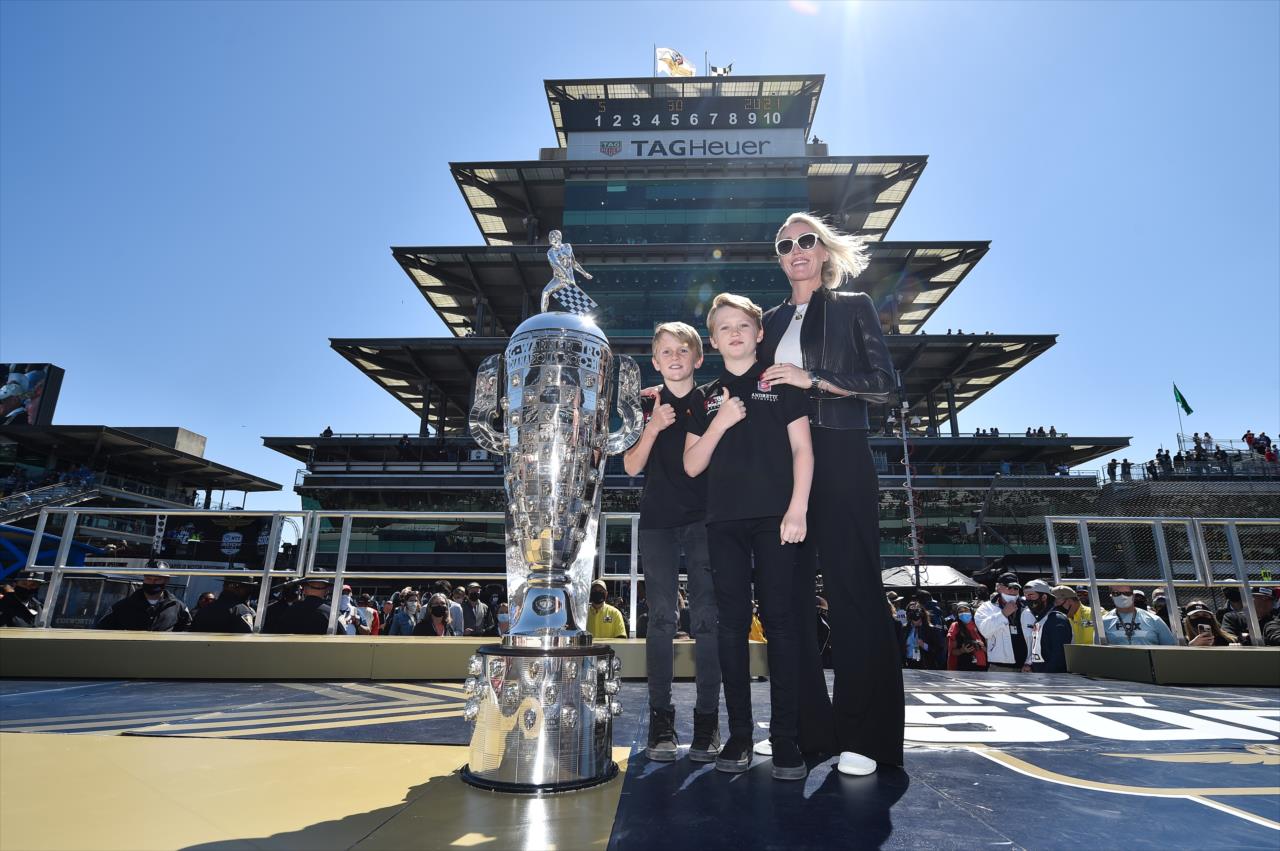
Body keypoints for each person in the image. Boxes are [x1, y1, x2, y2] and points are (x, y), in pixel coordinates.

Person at [756, 213, 902, 778]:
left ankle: (866, 735)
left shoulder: (852, 306)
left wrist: (811, 377)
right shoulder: (766, 321)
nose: (795, 249)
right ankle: (804, 730)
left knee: (852, 594)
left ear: (823, 252)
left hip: (840, 454)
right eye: (784, 244)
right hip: (784, 462)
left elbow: (885, 386)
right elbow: (749, 382)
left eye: (805, 240)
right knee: (785, 602)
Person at [684, 291, 814, 781]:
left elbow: (802, 450)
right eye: (724, 327)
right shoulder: (706, 397)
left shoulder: (782, 384)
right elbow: (692, 464)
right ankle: (740, 735)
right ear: (713, 340)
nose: (734, 333)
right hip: (725, 524)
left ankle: (785, 740)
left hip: (778, 520)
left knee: (781, 624)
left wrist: (797, 507)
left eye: (742, 325)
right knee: (731, 627)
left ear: (759, 333)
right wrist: (720, 422)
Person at [624, 321, 721, 764]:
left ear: (697, 358)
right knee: (661, 618)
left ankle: (707, 721)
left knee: (706, 619)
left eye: (684, 350)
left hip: (705, 519)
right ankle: (661, 721)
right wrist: (653, 428)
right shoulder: (645, 403)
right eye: (666, 351)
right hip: (658, 521)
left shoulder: (712, 399)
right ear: (655, 360)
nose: (675, 357)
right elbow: (629, 467)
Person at [96, 562, 192, 632]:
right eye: (148, 579)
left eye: (157, 579)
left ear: (166, 580)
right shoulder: (122, 606)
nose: (152, 583)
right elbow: (102, 629)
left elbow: (187, 630)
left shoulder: (178, 607)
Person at [975, 576, 1034, 671]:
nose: (1013, 591)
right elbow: (985, 631)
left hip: (1026, 667)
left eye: (1016, 588)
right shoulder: (986, 608)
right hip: (1000, 667)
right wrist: (1003, 614)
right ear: (998, 587)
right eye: (1009, 587)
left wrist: (1030, 662)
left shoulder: (1028, 607)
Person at [1022, 579, 1073, 673]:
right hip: (1040, 677)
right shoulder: (1041, 619)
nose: (1028, 599)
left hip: (1053, 680)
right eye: (1026, 596)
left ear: (1044, 597)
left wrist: (1048, 677)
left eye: (1031, 595)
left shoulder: (1057, 620)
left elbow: (1059, 655)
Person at [1101, 585, 1176, 646]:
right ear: (1111, 597)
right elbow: (1099, 652)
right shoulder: (1103, 622)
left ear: (1133, 596)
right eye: (1116, 594)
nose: (1122, 597)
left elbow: (1170, 647)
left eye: (1127, 593)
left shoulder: (1154, 619)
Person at [189, 576, 257, 633]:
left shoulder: (205, 608)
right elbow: (246, 639)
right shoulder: (241, 610)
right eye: (247, 587)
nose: (250, 590)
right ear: (235, 586)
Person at [901, 600, 944, 669]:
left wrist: (924, 645)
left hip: (925, 664)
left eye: (916, 611)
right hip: (908, 663)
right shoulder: (905, 629)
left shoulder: (931, 629)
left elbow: (939, 648)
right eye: (912, 611)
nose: (915, 614)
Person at [946, 602, 988, 671]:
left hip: (984, 666)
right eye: (960, 611)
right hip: (964, 667)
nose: (963, 613)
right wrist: (962, 650)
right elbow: (952, 651)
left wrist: (983, 647)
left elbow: (991, 649)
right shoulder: (955, 627)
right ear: (957, 614)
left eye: (966, 610)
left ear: (971, 611)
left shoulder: (980, 624)